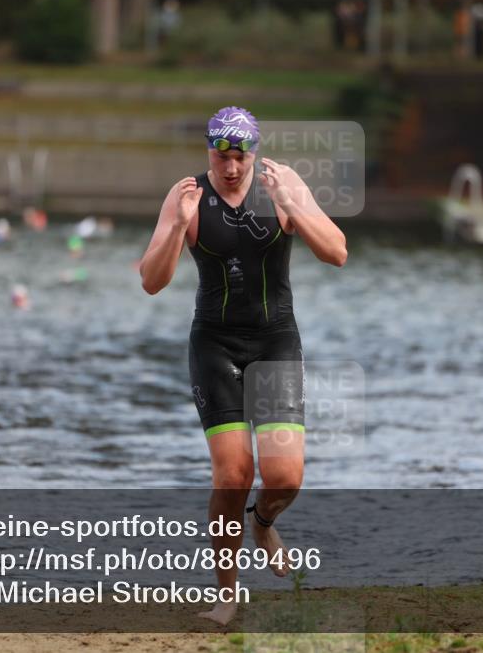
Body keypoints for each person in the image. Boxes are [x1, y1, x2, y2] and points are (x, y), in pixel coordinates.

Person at [139, 107, 347, 625]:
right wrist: (178, 227)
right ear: (208, 151)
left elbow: (337, 252)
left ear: (253, 152)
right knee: (233, 474)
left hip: (275, 341)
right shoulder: (186, 193)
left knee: (286, 477)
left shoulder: (282, 182)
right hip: (215, 344)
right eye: (220, 156)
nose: (231, 167)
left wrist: (291, 210)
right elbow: (151, 279)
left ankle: (263, 521)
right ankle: (227, 593)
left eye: (240, 156)